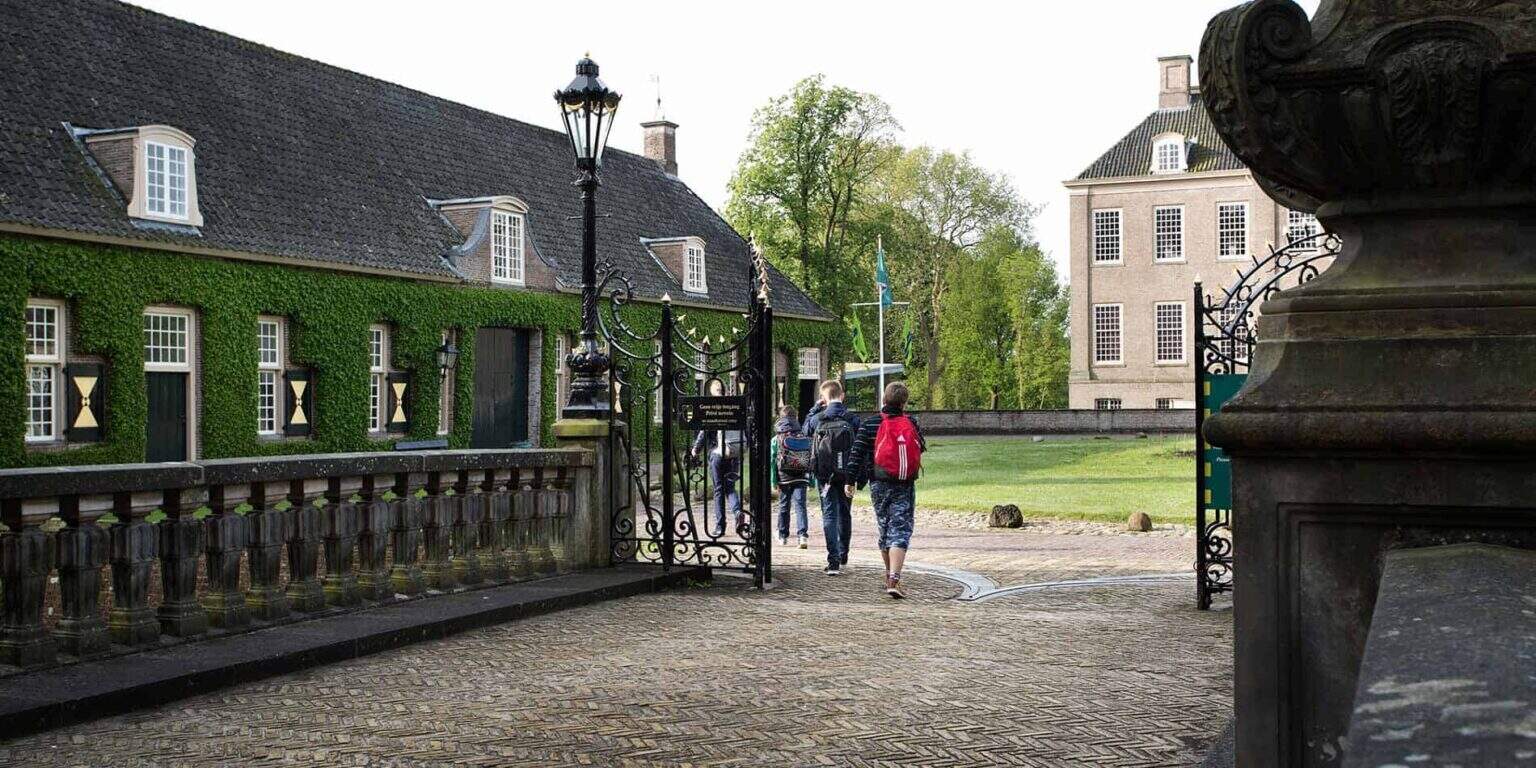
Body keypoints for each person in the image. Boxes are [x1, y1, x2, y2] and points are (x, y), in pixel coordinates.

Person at [849, 381, 926, 599]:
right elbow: (921, 446)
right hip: (904, 483)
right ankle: (894, 578)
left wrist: (850, 480)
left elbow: (856, 453)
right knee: (900, 529)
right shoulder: (911, 422)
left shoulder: (870, 423)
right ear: (904, 402)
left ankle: (889, 575)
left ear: (884, 399)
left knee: (884, 528)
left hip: (878, 483)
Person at [803, 380, 859, 575]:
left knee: (829, 514)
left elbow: (805, 430)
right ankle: (843, 554)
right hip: (847, 474)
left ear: (823, 398)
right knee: (845, 512)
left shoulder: (818, 418)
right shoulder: (851, 418)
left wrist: (814, 409)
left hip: (825, 474)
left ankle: (833, 561)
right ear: (842, 395)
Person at [689, 383, 742, 538]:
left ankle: (720, 526)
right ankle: (737, 511)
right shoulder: (734, 407)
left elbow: (704, 431)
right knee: (730, 487)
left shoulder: (712, 408)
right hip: (733, 453)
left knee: (719, 490)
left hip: (717, 454)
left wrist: (695, 449)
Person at [769, 405, 810, 548]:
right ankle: (802, 536)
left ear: (781, 418)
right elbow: (810, 458)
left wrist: (773, 481)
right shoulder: (803, 434)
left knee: (784, 506)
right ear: (795, 417)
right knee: (801, 506)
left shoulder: (777, 438)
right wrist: (811, 481)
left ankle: (782, 535)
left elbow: (773, 461)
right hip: (801, 476)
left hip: (784, 477)